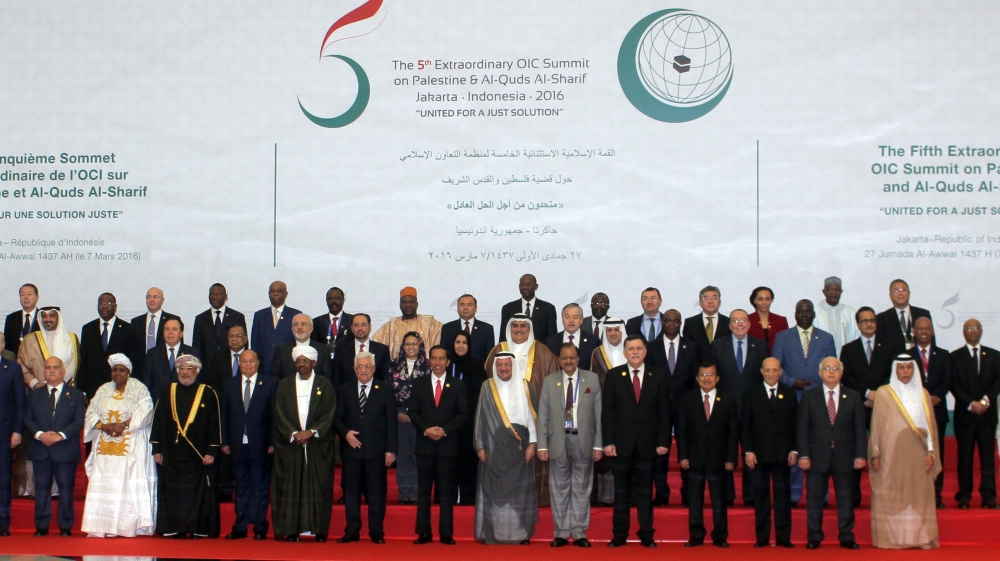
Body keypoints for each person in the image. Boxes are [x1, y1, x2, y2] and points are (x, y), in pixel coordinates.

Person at [602, 335, 671, 548]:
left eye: (638, 348)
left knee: (644, 494)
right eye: (630, 348)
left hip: (648, 445)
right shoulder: (614, 376)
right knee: (621, 494)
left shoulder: (658, 376)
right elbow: (608, 413)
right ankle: (619, 536)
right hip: (621, 446)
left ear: (645, 351)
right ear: (624, 352)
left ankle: (647, 535)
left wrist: (663, 441)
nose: (634, 352)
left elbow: (664, 413)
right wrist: (608, 442)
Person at [484, 314, 559, 506]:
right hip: (500, 426)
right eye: (514, 326)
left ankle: (530, 505)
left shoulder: (543, 352)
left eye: (523, 326)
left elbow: (552, 387)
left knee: (529, 468)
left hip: (532, 422)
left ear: (530, 329)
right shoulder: (498, 350)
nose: (518, 329)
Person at [869, 355, 941, 549]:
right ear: (895, 370)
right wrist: (875, 453)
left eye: (909, 367)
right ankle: (894, 539)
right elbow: (876, 425)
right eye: (901, 368)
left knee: (919, 495)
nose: (906, 371)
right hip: (891, 453)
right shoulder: (884, 393)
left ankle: (922, 537)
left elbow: (930, 426)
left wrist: (931, 453)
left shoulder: (923, 394)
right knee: (895, 494)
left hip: (918, 451)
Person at [80, 354, 156, 537]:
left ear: (128, 371)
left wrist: (125, 425)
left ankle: (127, 526)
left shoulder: (139, 389)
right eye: (114, 370)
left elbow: (146, 411)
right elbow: (91, 412)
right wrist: (102, 425)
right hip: (105, 447)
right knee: (105, 483)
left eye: (121, 370)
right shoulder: (104, 390)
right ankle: (101, 526)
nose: (118, 373)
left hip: (131, 443)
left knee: (128, 483)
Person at [797, 357, 867, 550]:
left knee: (845, 498)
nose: (831, 371)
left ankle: (846, 536)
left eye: (835, 368)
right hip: (816, 456)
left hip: (845, 456)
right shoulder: (809, 396)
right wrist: (803, 455)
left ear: (841, 373)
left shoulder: (852, 396)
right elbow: (802, 428)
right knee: (814, 499)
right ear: (820, 373)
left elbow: (860, 429)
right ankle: (814, 535)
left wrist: (860, 455)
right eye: (827, 368)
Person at [537, 343, 602, 548]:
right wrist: (541, 445)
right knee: (559, 488)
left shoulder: (592, 379)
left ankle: (579, 531)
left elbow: (598, 415)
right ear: (559, 359)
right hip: (558, 440)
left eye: (572, 358)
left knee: (582, 488)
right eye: (564, 358)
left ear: (578, 358)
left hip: (584, 440)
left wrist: (598, 445)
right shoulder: (550, 381)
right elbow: (543, 416)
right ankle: (562, 532)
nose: (568, 361)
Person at [150, 354, 221, 539]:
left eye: (189, 369)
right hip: (172, 454)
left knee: (197, 494)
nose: (185, 372)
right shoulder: (167, 391)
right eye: (181, 369)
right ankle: (175, 527)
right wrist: (156, 449)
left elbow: (215, 423)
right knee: (174, 493)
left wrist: (212, 450)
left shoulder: (207, 392)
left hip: (198, 456)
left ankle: (197, 528)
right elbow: (157, 421)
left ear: (197, 371)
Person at [840, 305, 904, 506]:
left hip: (884, 406)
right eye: (864, 321)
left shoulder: (891, 346)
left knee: (885, 451)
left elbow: (894, 373)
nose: (869, 324)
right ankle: (853, 497)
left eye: (872, 320)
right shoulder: (848, 349)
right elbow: (847, 377)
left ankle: (885, 494)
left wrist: (879, 394)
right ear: (858, 325)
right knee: (856, 450)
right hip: (858, 406)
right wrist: (867, 393)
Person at [272, 346, 337, 542]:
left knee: (318, 486)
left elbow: (330, 412)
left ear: (314, 363)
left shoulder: (324, 385)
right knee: (290, 486)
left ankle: (318, 530)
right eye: (298, 361)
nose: (301, 364)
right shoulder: (284, 385)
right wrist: (294, 434)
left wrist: (312, 432)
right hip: (291, 444)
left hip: (317, 445)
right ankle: (292, 530)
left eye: (305, 361)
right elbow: (279, 412)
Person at [474, 352, 538, 545]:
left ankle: (520, 535)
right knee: (495, 491)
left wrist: (533, 444)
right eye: (499, 365)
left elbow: (532, 418)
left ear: (513, 366)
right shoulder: (488, 387)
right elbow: (480, 418)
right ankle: (494, 533)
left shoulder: (525, 386)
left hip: (520, 448)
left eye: (507, 365)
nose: (503, 368)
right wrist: (480, 446)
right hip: (494, 448)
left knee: (519, 492)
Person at [334, 351, 397, 544]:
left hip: (376, 451)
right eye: (359, 367)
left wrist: (391, 449)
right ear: (354, 369)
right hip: (351, 451)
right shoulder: (345, 390)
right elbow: (337, 418)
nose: (363, 370)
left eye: (367, 366)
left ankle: (376, 531)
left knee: (377, 493)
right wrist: (345, 433)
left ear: (374, 368)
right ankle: (352, 530)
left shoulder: (385, 389)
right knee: (351, 493)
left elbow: (391, 422)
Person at [410, 345, 468, 545]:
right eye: (433, 358)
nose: (437, 362)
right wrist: (426, 430)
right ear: (429, 361)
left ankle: (446, 533)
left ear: (448, 361)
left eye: (441, 358)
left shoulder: (457, 385)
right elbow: (413, 412)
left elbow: (462, 414)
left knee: (446, 491)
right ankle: (423, 533)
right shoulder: (419, 384)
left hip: (447, 445)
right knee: (424, 491)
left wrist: (444, 430)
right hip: (425, 445)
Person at [678, 362, 738, 548]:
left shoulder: (727, 400)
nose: (707, 379)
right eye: (703, 375)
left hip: (719, 460)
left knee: (719, 501)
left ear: (717, 378)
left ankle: (720, 536)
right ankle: (696, 536)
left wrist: (731, 458)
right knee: (694, 500)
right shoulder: (687, 399)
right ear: (697, 379)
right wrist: (683, 456)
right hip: (694, 458)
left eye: (711, 375)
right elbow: (682, 431)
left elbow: (733, 432)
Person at [24, 356, 85, 536]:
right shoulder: (34, 395)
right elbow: (27, 418)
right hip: (40, 448)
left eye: (55, 367)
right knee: (41, 489)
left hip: (65, 449)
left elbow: (78, 421)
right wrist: (41, 435)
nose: (51, 370)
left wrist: (60, 436)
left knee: (66, 489)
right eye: (48, 367)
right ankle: (41, 527)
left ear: (63, 371)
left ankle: (65, 527)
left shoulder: (75, 394)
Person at [220, 350, 277, 541]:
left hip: (261, 445)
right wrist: (225, 441)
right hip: (237, 445)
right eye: (244, 361)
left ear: (258, 362)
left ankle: (260, 526)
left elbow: (274, 417)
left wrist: (272, 442)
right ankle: (241, 526)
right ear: (239, 363)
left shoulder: (269, 384)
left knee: (260, 486)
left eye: (251, 361)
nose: (248, 364)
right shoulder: (229, 384)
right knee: (241, 486)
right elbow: (224, 416)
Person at [712, 309, 766, 506]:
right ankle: (727, 495)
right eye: (735, 320)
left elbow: (764, 379)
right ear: (730, 324)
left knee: (751, 452)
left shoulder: (760, 346)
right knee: (725, 452)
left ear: (749, 324)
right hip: (725, 409)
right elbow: (713, 378)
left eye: (743, 320)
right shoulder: (718, 345)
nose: (740, 324)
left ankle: (751, 496)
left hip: (752, 409)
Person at [645, 309, 699, 506]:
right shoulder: (651, 347)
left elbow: (695, 379)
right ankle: (661, 494)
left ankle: (687, 493)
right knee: (660, 454)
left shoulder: (691, 347)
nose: (671, 324)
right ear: (662, 322)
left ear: (680, 323)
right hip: (659, 408)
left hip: (686, 407)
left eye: (675, 321)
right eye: (667, 320)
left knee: (687, 451)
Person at [742, 357, 797, 548]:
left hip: (783, 454)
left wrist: (794, 449)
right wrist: (748, 451)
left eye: (775, 370)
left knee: (783, 497)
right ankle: (762, 539)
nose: (771, 374)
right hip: (758, 455)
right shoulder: (751, 393)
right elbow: (746, 425)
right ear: (761, 371)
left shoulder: (789, 394)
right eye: (768, 370)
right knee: (761, 498)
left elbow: (795, 424)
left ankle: (784, 539)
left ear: (781, 372)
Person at [950, 318, 1000, 509]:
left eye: (976, 327)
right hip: (965, 415)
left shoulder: (995, 356)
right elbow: (953, 384)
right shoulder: (955, 357)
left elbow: (998, 382)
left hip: (987, 415)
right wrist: (971, 403)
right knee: (965, 456)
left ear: (981, 331)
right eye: (968, 328)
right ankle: (964, 496)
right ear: (963, 332)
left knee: (987, 457)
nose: (972, 331)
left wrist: (985, 401)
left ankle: (988, 496)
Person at [906, 317, 954, 508]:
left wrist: (935, 397)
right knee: (915, 455)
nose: (924, 331)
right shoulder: (906, 355)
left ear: (932, 332)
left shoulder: (943, 355)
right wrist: (921, 399)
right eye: (920, 328)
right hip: (914, 412)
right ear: (914, 332)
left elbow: (948, 379)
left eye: (927, 328)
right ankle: (916, 496)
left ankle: (936, 496)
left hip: (937, 410)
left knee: (936, 454)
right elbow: (904, 380)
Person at [390, 332, 431, 504]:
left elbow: (430, 393)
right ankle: (403, 491)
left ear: (420, 345)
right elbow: (388, 393)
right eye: (408, 344)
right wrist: (398, 411)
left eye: (414, 344)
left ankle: (415, 491)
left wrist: (417, 414)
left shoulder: (427, 366)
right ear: (403, 346)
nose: (411, 347)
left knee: (417, 454)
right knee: (403, 455)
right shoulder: (394, 365)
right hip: (399, 416)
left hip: (421, 417)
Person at [589, 318, 626, 505]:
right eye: (609, 330)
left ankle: (626, 498)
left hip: (628, 414)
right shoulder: (597, 353)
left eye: (616, 330)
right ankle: (604, 498)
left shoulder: (631, 352)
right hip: (604, 411)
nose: (613, 333)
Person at [448, 331, 487, 505]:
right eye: (457, 342)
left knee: (468, 460)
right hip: (448, 421)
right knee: (448, 460)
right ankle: (447, 497)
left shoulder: (477, 365)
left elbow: (481, 394)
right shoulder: (447, 364)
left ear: (469, 345)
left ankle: (468, 498)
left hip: (469, 421)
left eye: (464, 342)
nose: (461, 345)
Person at [77, 293, 139, 400]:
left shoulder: (128, 329)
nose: (104, 306)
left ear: (115, 307)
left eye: (109, 303)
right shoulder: (88, 329)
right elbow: (83, 362)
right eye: (101, 303)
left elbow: (133, 361)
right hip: (93, 389)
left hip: (119, 387)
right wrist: (82, 390)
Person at [773, 299, 837, 401]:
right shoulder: (782, 337)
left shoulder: (826, 338)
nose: (804, 314)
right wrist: (791, 382)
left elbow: (833, 367)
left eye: (807, 311)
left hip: (819, 395)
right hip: (790, 394)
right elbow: (775, 366)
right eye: (800, 311)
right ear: (795, 314)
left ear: (814, 314)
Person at [250, 281, 302, 380]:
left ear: (286, 294)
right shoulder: (259, 315)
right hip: (264, 367)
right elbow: (255, 343)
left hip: (287, 366)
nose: (275, 294)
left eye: (279, 291)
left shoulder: (295, 315)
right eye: (272, 291)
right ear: (268, 293)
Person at [373, 287, 443, 360]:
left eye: (411, 302)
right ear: (400, 305)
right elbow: (378, 346)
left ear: (417, 304)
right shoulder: (391, 326)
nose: (408, 305)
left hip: (425, 368)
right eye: (404, 302)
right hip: (398, 369)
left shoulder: (430, 324)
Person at [18, 306, 79, 389]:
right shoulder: (30, 340)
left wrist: (56, 384)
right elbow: (21, 365)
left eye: (52, 316)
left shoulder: (70, 339)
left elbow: (72, 366)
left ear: (58, 318)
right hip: (39, 392)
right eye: (44, 316)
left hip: (66, 391)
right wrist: (34, 383)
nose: (47, 319)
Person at [141, 318, 201, 402]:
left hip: (184, 402)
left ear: (181, 333)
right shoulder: (152, 354)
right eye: (167, 329)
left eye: (174, 329)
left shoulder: (193, 353)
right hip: (159, 404)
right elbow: (146, 382)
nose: (170, 332)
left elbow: (198, 381)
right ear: (163, 333)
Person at [0, 333, 24, 537]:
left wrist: (17, 430)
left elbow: (20, 403)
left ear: (2, 345)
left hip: (4, 433)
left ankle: (2, 521)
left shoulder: (13, 368)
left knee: (3, 478)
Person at [129, 287, 180, 375]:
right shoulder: (136, 322)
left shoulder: (172, 319)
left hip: (164, 370)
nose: (152, 300)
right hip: (140, 370)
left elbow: (178, 348)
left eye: (156, 297)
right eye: (149, 297)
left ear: (162, 300)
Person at [332, 313, 391, 388]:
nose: (360, 328)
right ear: (352, 328)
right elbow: (336, 378)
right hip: (348, 396)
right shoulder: (341, 350)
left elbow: (386, 378)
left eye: (363, 325)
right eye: (356, 325)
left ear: (370, 328)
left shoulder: (382, 350)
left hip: (376, 396)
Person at [191, 283, 247, 361]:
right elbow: (196, 346)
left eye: (218, 294)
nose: (214, 297)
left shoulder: (237, 317)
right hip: (207, 368)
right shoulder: (200, 319)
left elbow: (244, 344)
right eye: (212, 294)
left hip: (230, 366)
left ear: (225, 296)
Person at [270, 314, 332, 380]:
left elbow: (326, 377)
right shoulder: (282, 350)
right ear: (292, 329)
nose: (300, 327)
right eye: (296, 324)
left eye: (304, 324)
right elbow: (275, 377)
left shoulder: (323, 350)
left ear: (311, 329)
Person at [499, 274, 558, 343]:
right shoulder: (508, 308)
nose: (525, 287)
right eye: (522, 284)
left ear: (536, 287)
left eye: (528, 284)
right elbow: (503, 337)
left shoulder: (548, 309)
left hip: (539, 351)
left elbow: (552, 337)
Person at [440, 294, 496, 364]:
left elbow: (489, 358)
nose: (465, 308)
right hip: (453, 372)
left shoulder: (487, 329)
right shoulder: (447, 328)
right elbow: (443, 353)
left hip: (478, 372)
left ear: (476, 308)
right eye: (462, 305)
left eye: (469, 305)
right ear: (457, 308)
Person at [876, 279, 932, 347]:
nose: (900, 293)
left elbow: (931, 343)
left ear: (909, 293)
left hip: (918, 356)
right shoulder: (882, 318)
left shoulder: (923, 314)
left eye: (903, 290)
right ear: (890, 296)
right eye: (896, 290)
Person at [545, 303, 600, 370]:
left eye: (575, 317)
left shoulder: (593, 341)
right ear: (562, 320)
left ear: (581, 320)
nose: (571, 321)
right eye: (567, 317)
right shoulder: (551, 341)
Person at [683, 286, 731, 361]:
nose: (710, 301)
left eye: (714, 298)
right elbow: (687, 351)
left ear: (720, 302)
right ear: (700, 303)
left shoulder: (728, 322)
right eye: (706, 298)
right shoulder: (690, 323)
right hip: (698, 369)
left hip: (723, 369)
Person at [813, 277, 859, 353]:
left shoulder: (850, 312)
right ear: (824, 292)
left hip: (845, 358)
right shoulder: (815, 312)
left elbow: (856, 336)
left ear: (841, 292)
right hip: (822, 358)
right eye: (830, 289)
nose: (834, 293)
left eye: (837, 290)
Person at [747, 286, 788, 353]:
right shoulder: (747, 320)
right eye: (760, 299)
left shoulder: (781, 321)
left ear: (771, 300)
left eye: (767, 299)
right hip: (753, 361)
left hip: (776, 360)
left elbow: (786, 344)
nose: (764, 302)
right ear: (754, 300)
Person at [3, 283, 40, 357]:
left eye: (29, 294)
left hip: (37, 363)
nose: (26, 297)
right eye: (22, 295)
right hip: (15, 363)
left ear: (37, 297)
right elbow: (7, 345)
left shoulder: (43, 317)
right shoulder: (11, 318)